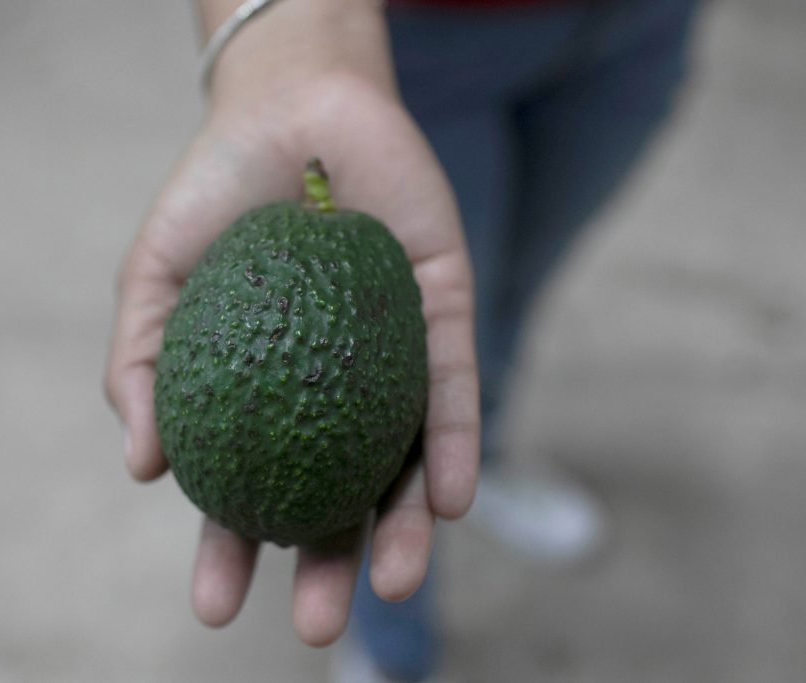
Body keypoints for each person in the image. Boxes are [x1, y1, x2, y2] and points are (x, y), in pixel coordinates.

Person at [106, 0, 697, 680]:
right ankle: (392, 653)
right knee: (418, 387)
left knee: (504, 288)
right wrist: (290, 40)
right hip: (408, 37)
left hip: (643, 25)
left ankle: (492, 453)